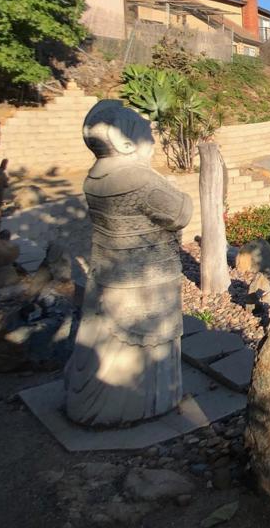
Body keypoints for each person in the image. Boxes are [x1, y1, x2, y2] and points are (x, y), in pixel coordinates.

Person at [65, 100, 193, 427]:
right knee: (144, 349)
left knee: (111, 344)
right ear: (126, 143)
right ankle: (144, 406)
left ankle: (100, 405)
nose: (152, 134)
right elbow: (181, 212)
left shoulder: (94, 177)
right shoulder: (139, 180)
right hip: (145, 282)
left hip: (108, 275)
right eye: (144, 130)